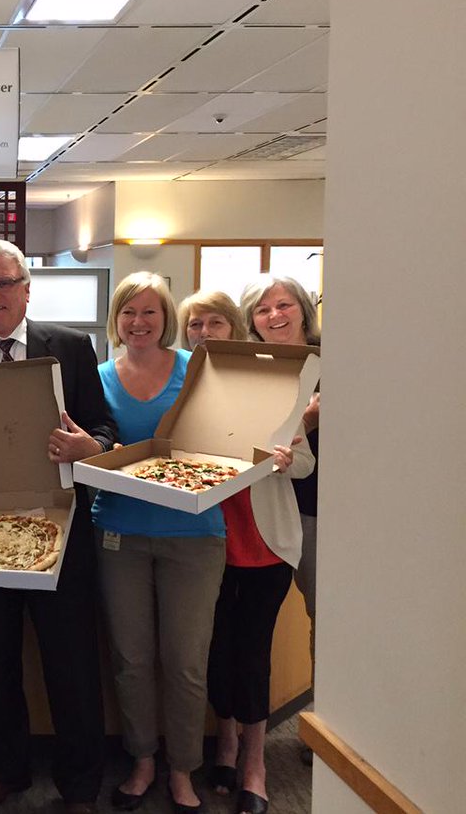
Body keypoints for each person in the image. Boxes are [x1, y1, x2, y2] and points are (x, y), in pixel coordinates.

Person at [0, 239, 116, 814]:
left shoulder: (72, 348)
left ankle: (81, 782)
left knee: (72, 661)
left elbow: (103, 427)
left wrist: (92, 446)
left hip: (61, 523)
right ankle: (4, 770)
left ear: (26, 288)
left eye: (2, 283)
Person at [93, 272, 223, 814]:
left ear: (167, 317)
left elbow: (228, 438)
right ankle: (143, 759)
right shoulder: (98, 375)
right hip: (120, 530)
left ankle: (182, 768)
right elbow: (90, 441)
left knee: (186, 661)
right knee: (131, 658)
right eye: (128, 312)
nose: (138, 323)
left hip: (194, 534)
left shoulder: (201, 370)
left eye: (149, 312)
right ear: (116, 319)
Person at [181, 290, 313, 814]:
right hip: (204, 537)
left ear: (235, 328)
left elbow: (304, 464)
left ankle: (254, 764)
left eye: (216, 322)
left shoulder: (271, 379)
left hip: (263, 540)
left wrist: (285, 459)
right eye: (196, 323)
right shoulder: (186, 379)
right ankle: (228, 745)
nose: (205, 332)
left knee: (252, 654)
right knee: (216, 651)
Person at [240, 274, 321, 768]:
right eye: (263, 310)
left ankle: (328, 728)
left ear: (302, 310)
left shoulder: (337, 360)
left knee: (331, 618)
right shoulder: (257, 368)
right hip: (281, 509)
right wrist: (306, 421)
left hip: (340, 506)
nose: (275, 316)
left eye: (284, 305)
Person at [178, 289, 248, 347]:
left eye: (215, 323)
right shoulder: (177, 363)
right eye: (195, 324)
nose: (205, 333)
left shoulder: (252, 363)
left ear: (234, 328)